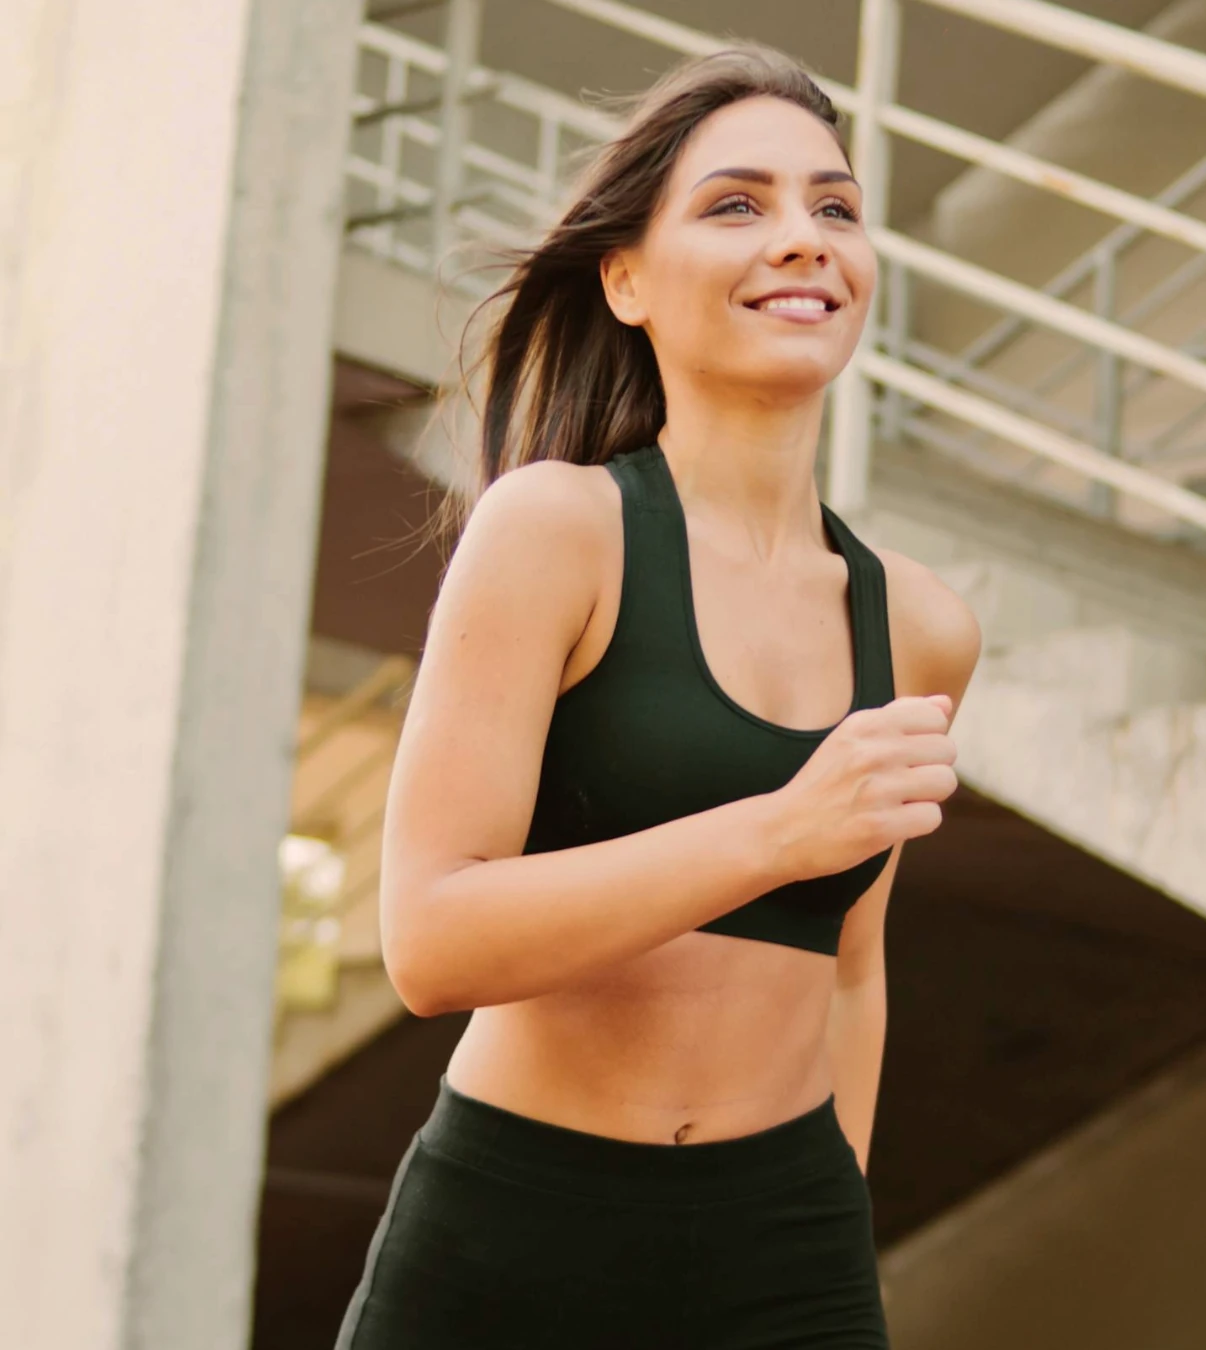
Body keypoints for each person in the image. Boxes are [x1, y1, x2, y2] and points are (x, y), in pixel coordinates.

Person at [334, 44, 979, 1350]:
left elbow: (852, 972)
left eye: (835, 207)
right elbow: (431, 935)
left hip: (783, 1242)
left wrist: (829, 1218)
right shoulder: (556, 533)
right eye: (737, 203)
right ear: (625, 278)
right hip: (516, 1228)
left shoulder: (918, 625)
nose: (803, 239)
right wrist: (776, 831)